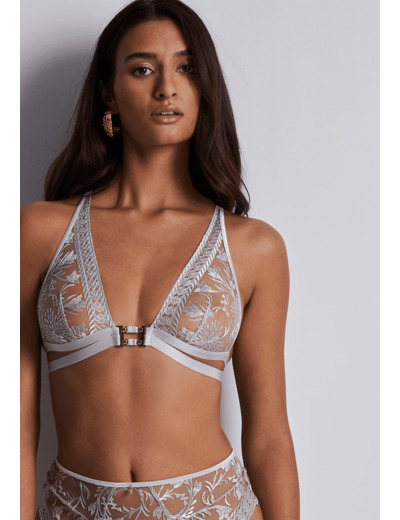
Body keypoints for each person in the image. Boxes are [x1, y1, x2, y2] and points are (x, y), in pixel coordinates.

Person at [20, 1, 300, 518]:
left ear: (205, 87)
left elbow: (268, 436)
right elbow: (14, 423)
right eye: (142, 69)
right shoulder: (38, 232)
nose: (167, 88)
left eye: (186, 67)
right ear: (108, 91)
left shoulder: (253, 247)